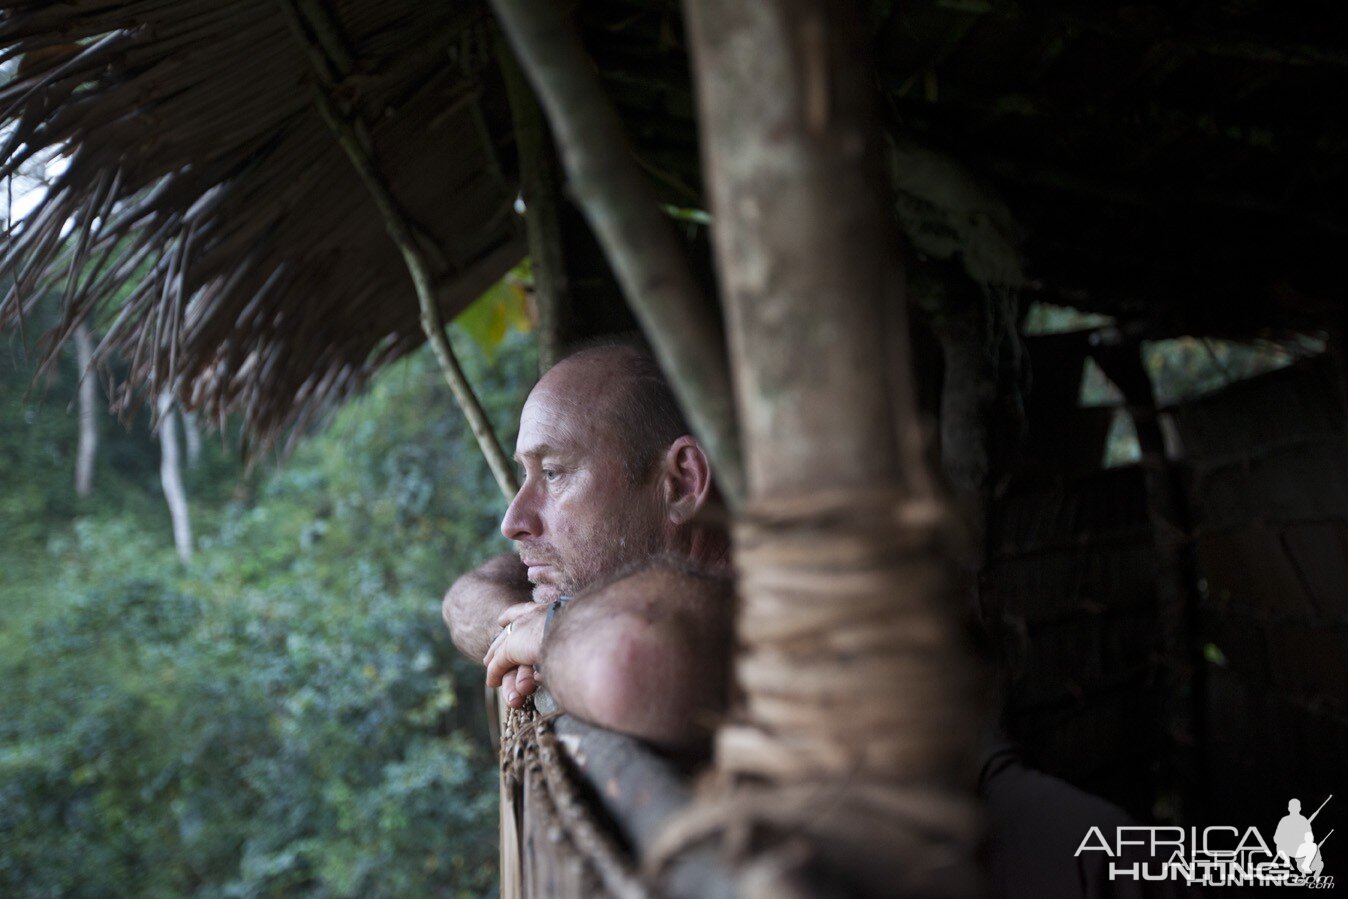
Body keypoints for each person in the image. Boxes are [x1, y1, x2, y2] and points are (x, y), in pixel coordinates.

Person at [442, 341, 734, 752]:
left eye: (552, 473)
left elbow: (627, 665)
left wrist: (549, 633)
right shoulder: (594, 576)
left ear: (681, 482)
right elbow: (464, 600)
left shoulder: (753, 603)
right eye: (525, 474)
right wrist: (517, 631)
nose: (513, 523)